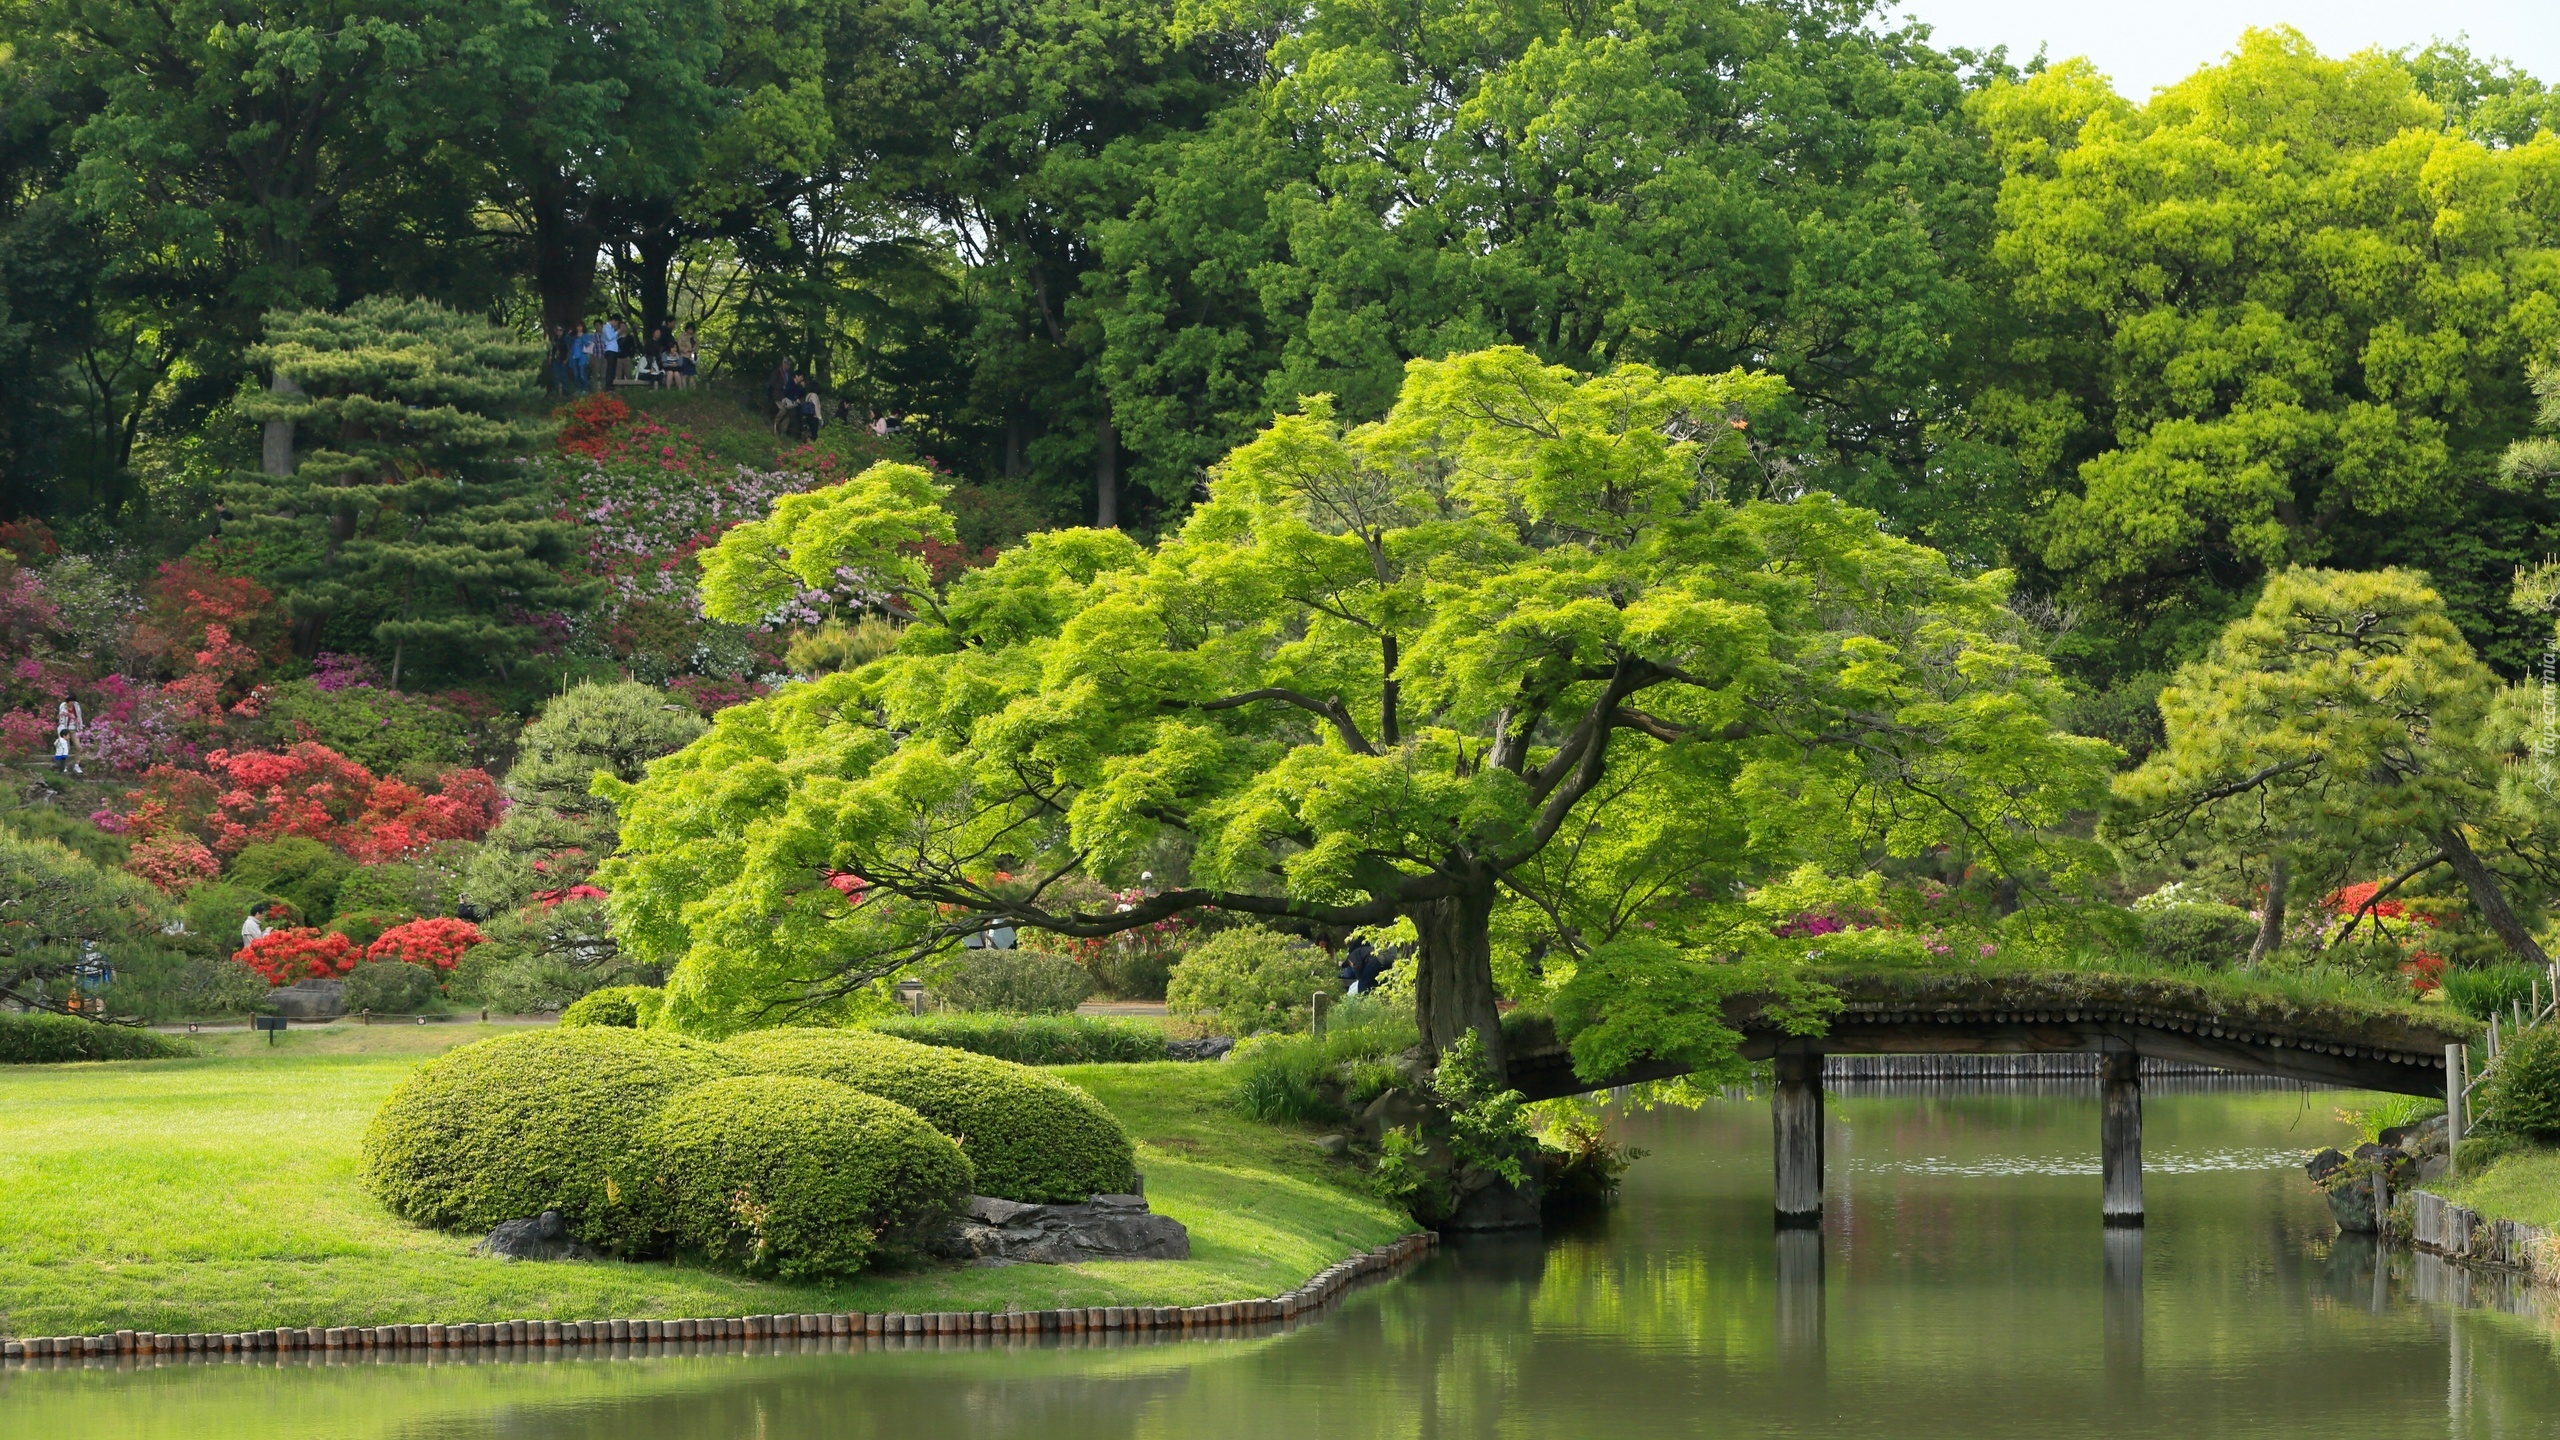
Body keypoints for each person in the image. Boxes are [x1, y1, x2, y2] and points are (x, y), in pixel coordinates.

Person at [568, 321, 593, 393]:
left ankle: (585, 389)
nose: (579, 328)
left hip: (582, 357)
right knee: (576, 374)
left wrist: (582, 338)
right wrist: (569, 333)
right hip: (574, 357)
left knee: (582, 374)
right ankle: (578, 389)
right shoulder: (573, 337)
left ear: (583, 327)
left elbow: (588, 344)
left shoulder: (586, 335)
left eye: (580, 326)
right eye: (577, 327)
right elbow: (567, 340)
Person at [598, 315, 621, 388]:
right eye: (617, 322)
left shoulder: (612, 328)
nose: (617, 324)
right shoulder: (606, 327)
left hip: (614, 350)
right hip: (610, 350)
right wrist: (617, 332)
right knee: (610, 369)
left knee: (613, 369)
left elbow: (615, 338)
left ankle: (611, 385)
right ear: (614, 320)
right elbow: (609, 337)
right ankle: (608, 386)